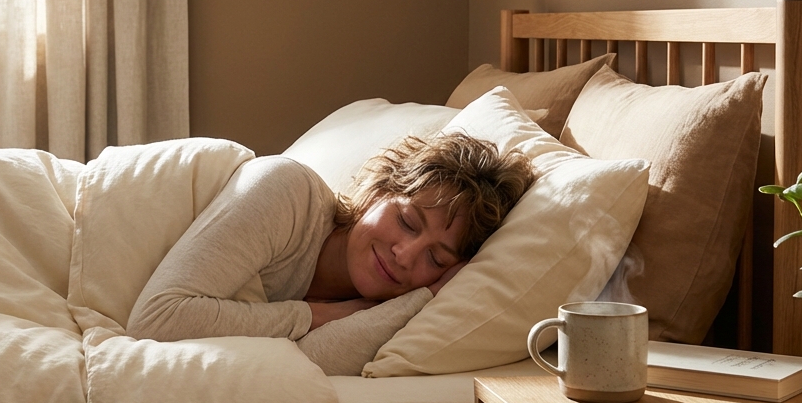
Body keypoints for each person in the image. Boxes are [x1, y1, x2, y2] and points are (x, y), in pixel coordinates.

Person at [127, 133, 536, 376]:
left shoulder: (376, 307)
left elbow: (312, 364)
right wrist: (321, 314)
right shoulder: (287, 191)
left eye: (437, 260)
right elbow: (157, 320)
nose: (405, 256)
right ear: (378, 192)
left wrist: (424, 298)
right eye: (408, 222)